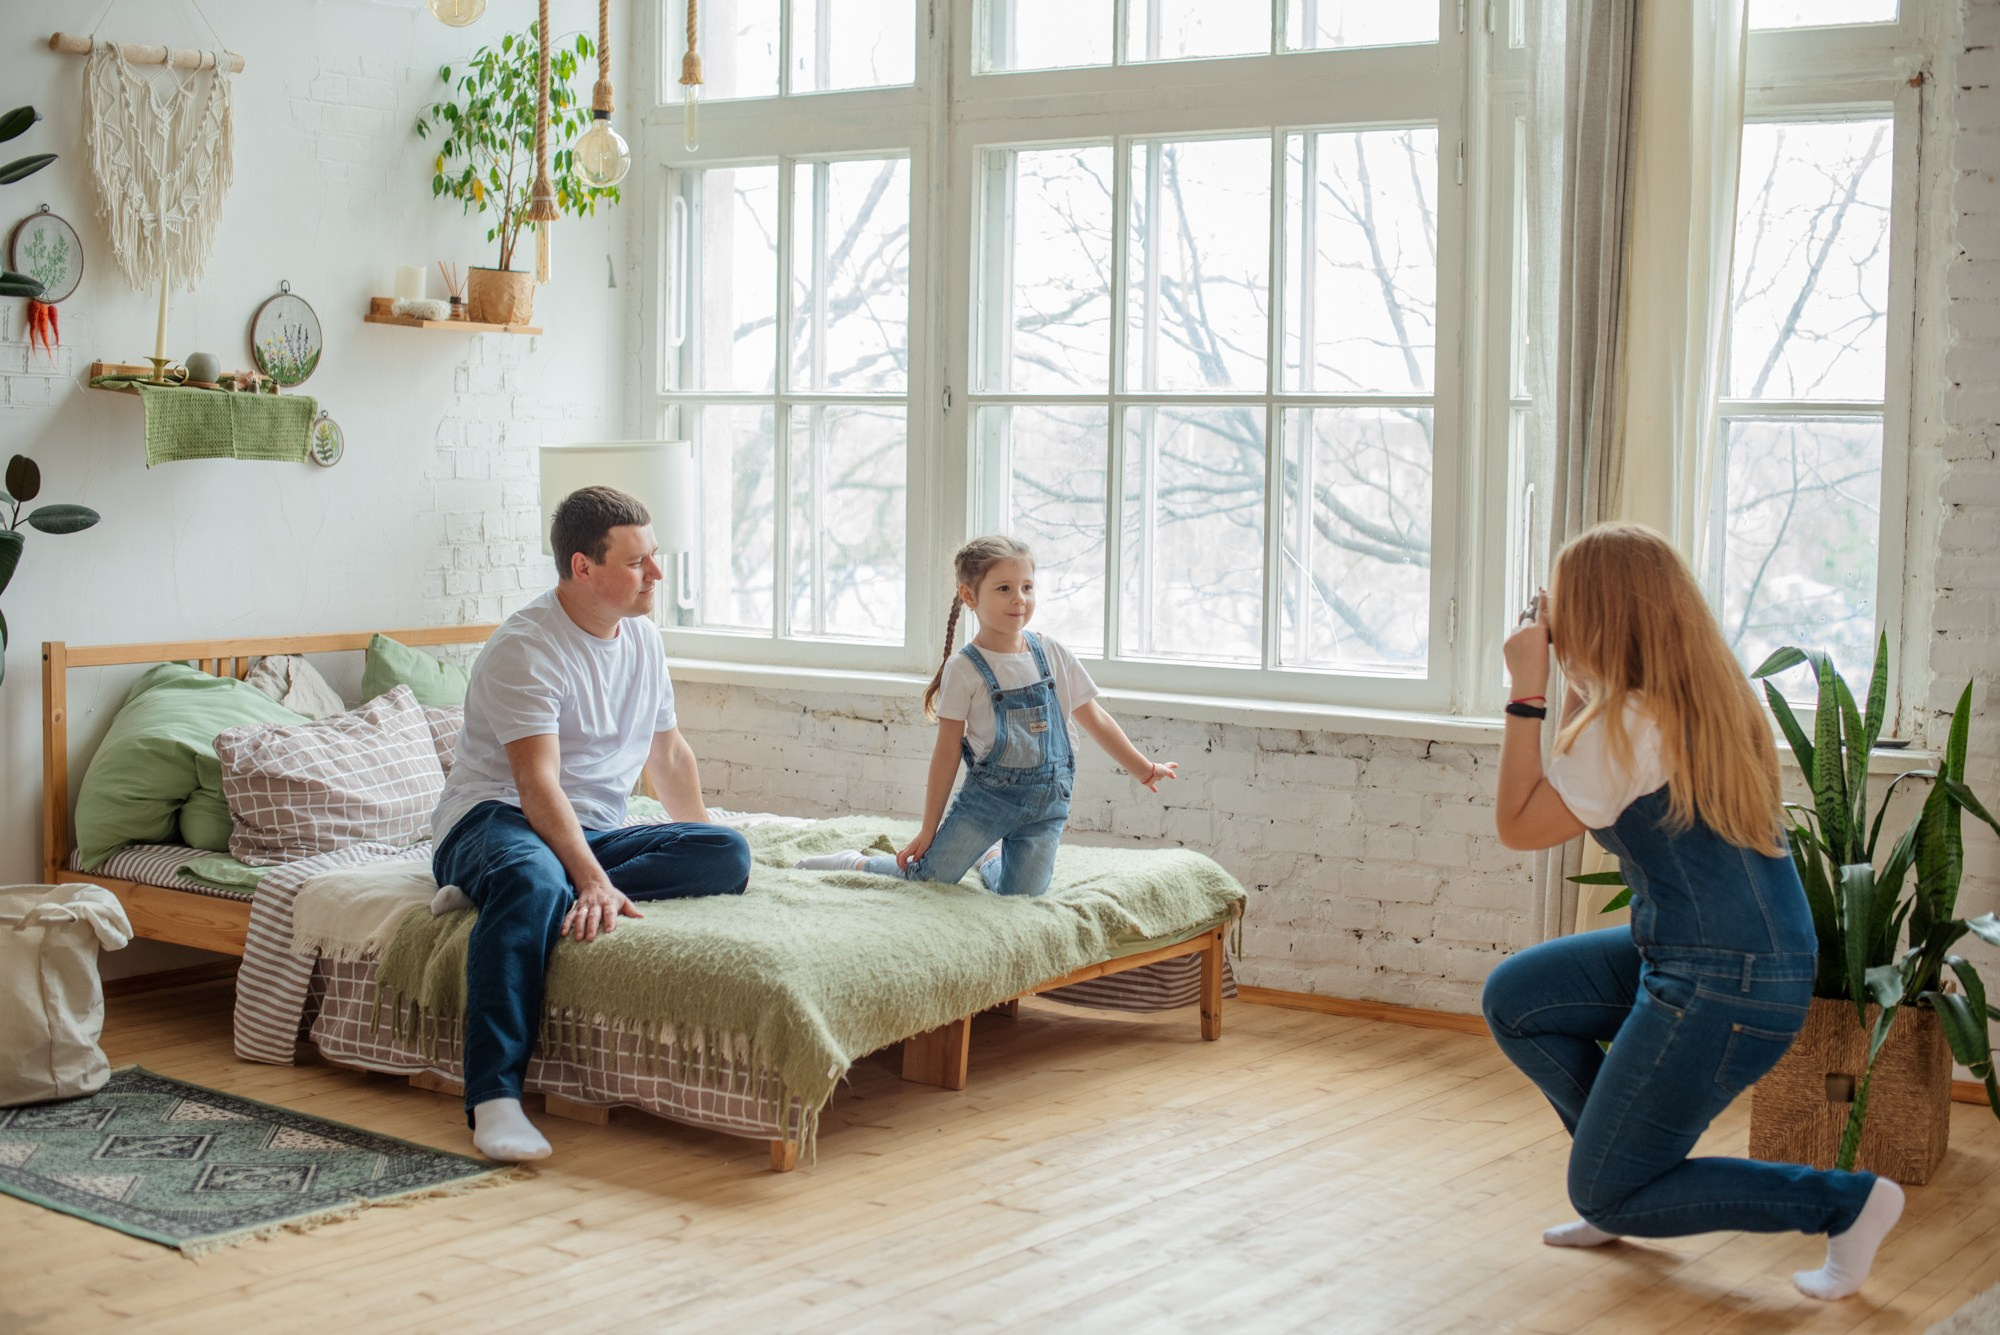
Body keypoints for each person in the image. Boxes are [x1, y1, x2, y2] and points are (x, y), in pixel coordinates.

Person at [1482, 522, 1902, 1301]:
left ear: (1599, 618)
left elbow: (1518, 825)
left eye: (1562, 604)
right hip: (1735, 956)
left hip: (1720, 981)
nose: (1549, 616)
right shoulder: (1696, 701)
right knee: (1518, 998)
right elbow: (1592, 751)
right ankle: (1621, 1164)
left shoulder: (1623, 725)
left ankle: (1845, 1203)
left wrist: (1527, 688)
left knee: (1602, 1190)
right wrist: (1572, 671)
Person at [429, 485, 753, 1163]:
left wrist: (688, 833)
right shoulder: (527, 648)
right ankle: (494, 1098)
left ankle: (522, 891)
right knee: (530, 876)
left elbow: (667, 752)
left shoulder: (643, 638)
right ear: (583, 568)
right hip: (496, 817)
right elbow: (536, 783)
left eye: (654, 557)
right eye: (639, 562)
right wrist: (594, 881)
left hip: (595, 826)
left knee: (726, 852)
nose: (656, 575)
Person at [797, 535, 1176, 897]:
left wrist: (1143, 767)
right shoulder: (965, 669)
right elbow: (946, 754)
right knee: (931, 877)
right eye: (1004, 588)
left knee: (1022, 895)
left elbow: (1095, 718)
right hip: (988, 804)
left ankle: (989, 856)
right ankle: (855, 863)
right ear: (969, 595)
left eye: (1027, 587)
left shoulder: (1053, 652)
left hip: (1047, 805)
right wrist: (928, 831)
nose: (1020, 600)